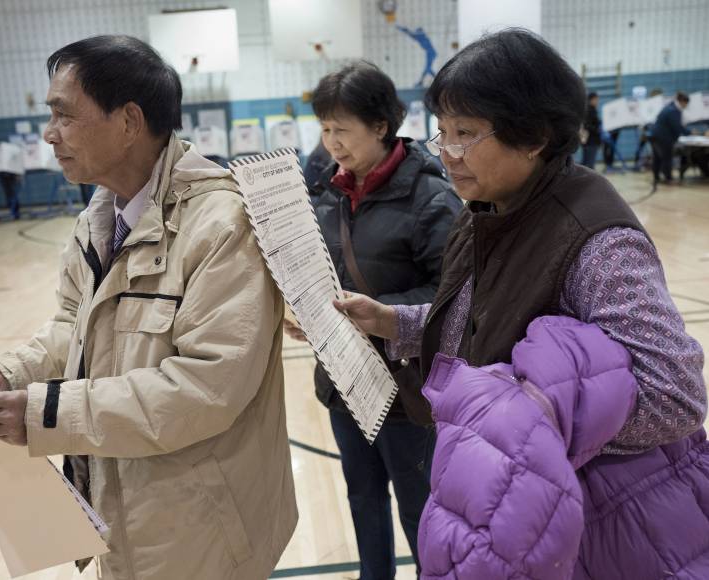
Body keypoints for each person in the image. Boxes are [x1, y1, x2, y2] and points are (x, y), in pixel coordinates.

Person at [335, 29, 707, 578]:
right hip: (527, 507)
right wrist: (392, 320)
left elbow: (676, 395)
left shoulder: (594, 238)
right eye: (441, 133)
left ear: (532, 136)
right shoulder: (488, 207)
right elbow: (479, 324)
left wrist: (533, 415)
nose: (447, 154)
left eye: (465, 133)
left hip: (601, 525)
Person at [0, 35, 297, 580]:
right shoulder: (98, 220)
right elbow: (76, 326)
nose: (49, 135)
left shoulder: (222, 226)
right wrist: (8, 372)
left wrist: (47, 415)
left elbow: (207, 387)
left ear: (130, 122)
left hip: (203, 524)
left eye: (63, 115)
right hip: (121, 508)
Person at [292, 61, 461, 579]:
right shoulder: (328, 192)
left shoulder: (431, 196)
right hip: (343, 377)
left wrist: (382, 313)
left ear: (381, 126)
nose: (331, 142)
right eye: (324, 129)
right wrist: (310, 310)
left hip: (404, 384)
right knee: (362, 496)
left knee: (419, 506)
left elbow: (454, 295)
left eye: (342, 129)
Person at [651, 91, 691, 184]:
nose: (686, 106)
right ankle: (668, 178)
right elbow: (677, 127)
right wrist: (689, 132)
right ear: (682, 102)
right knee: (667, 157)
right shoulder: (674, 110)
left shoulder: (669, 106)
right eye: (686, 104)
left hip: (655, 135)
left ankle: (656, 177)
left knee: (657, 158)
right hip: (664, 137)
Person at [580, 92, 601, 168]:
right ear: (591, 100)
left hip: (589, 140)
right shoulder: (590, 110)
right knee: (589, 163)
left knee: (586, 162)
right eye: (596, 100)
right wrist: (597, 130)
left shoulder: (590, 109)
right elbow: (587, 125)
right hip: (591, 140)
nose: (597, 102)